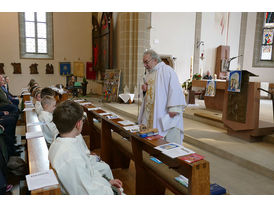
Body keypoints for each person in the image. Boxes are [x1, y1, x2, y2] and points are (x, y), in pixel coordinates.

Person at [48, 100, 123, 194]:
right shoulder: (71, 157)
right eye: (83, 120)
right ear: (78, 124)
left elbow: (88, 172)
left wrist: (107, 182)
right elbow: (88, 192)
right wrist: (114, 192)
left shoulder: (58, 143)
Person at [138, 49, 186, 145]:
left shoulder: (167, 70)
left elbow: (175, 89)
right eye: (144, 63)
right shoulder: (150, 74)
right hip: (153, 114)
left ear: (155, 60)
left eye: (146, 62)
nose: (145, 65)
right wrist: (145, 91)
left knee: (169, 142)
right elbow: (151, 94)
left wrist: (174, 108)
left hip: (166, 114)